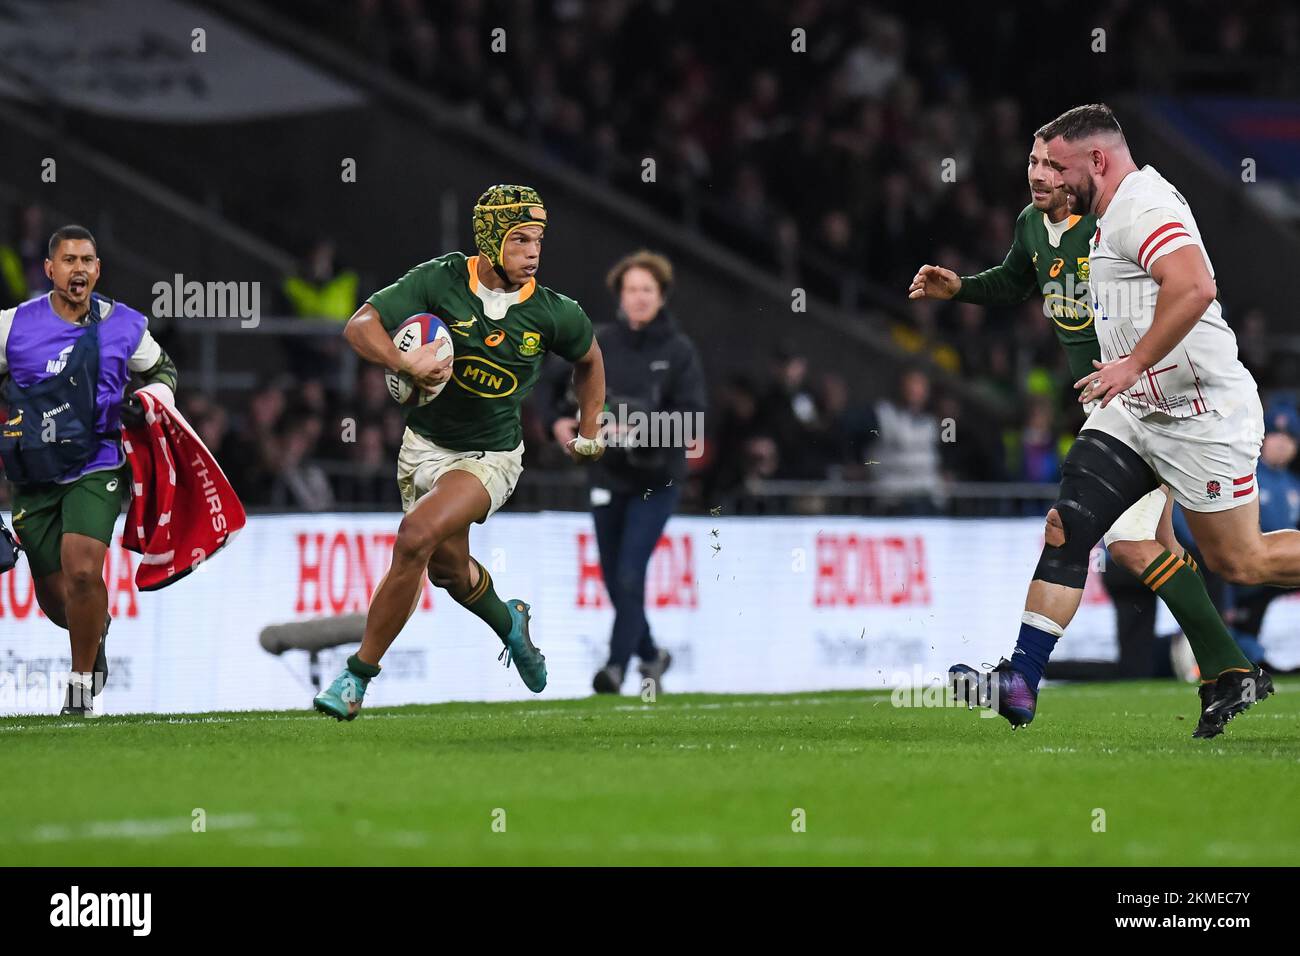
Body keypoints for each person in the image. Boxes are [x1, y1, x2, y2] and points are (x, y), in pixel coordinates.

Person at [951, 104, 1299, 738]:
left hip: (1201, 415)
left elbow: (1194, 288)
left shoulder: (1141, 204)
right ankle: (1021, 679)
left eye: (1056, 164)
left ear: (1098, 161)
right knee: (1068, 524)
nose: (1043, 175)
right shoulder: (1094, 212)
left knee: (1241, 562)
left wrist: (1132, 361)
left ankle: (1226, 667)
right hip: (1134, 410)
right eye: (1037, 162)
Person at [313, 185, 607, 720]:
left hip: (490, 457)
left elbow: (589, 358)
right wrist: (405, 365)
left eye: (538, 240)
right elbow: (359, 327)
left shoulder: (552, 313)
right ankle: (510, 622)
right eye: (520, 239)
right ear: (492, 239)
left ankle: (355, 678)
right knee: (450, 572)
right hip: (422, 448)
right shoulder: (441, 279)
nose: (533, 252)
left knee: (415, 537)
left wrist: (588, 430)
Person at [0, 225, 178, 715]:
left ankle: (78, 692)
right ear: (49, 269)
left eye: (87, 260)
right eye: (68, 259)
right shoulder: (12, 325)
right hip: (32, 475)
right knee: (56, 599)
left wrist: (149, 400)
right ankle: (95, 631)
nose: (78, 268)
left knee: (82, 572)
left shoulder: (124, 324)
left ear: (97, 270)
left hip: (97, 464)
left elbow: (163, 370)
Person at [543, 250, 704, 694]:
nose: (638, 297)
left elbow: (692, 421)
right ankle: (652, 656)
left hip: (657, 482)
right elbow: (547, 389)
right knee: (616, 580)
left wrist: (638, 428)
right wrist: (555, 423)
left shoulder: (679, 351)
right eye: (631, 289)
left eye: (646, 290)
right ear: (619, 295)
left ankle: (614, 668)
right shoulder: (598, 342)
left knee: (631, 574)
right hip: (606, 478)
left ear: (661, 296)